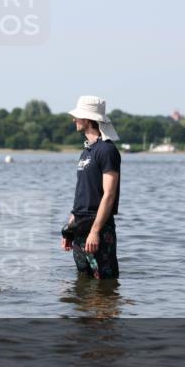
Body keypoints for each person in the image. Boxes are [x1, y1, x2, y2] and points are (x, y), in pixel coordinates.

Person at [60, 95, 121, 280]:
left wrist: (95, 232)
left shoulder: (107, 151)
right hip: (80, 226)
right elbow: (82, 194)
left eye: (77, 116)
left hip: (99, 227)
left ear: (87, 119)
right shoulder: (87, 152)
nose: (74, 120)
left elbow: (109, 195)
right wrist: (70, 228)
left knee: (105, 282)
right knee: (83, 282)